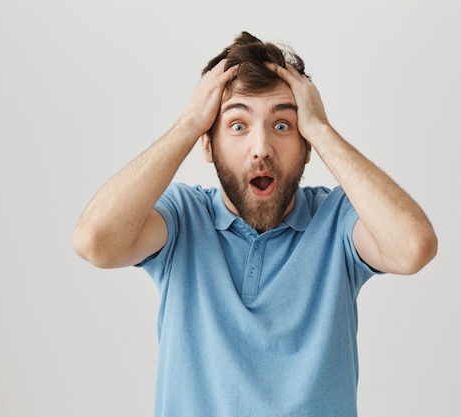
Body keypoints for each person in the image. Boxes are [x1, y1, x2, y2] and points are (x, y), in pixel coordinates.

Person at [73, 31, 438, 417]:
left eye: (283, 125)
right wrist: (189, 123)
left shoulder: (336, 221)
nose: (261, 147)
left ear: (306, 144)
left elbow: (413, 247)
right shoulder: (182, 217)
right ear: (208, 145)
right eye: (237, 125)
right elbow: (95, 241)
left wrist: (322, 129)